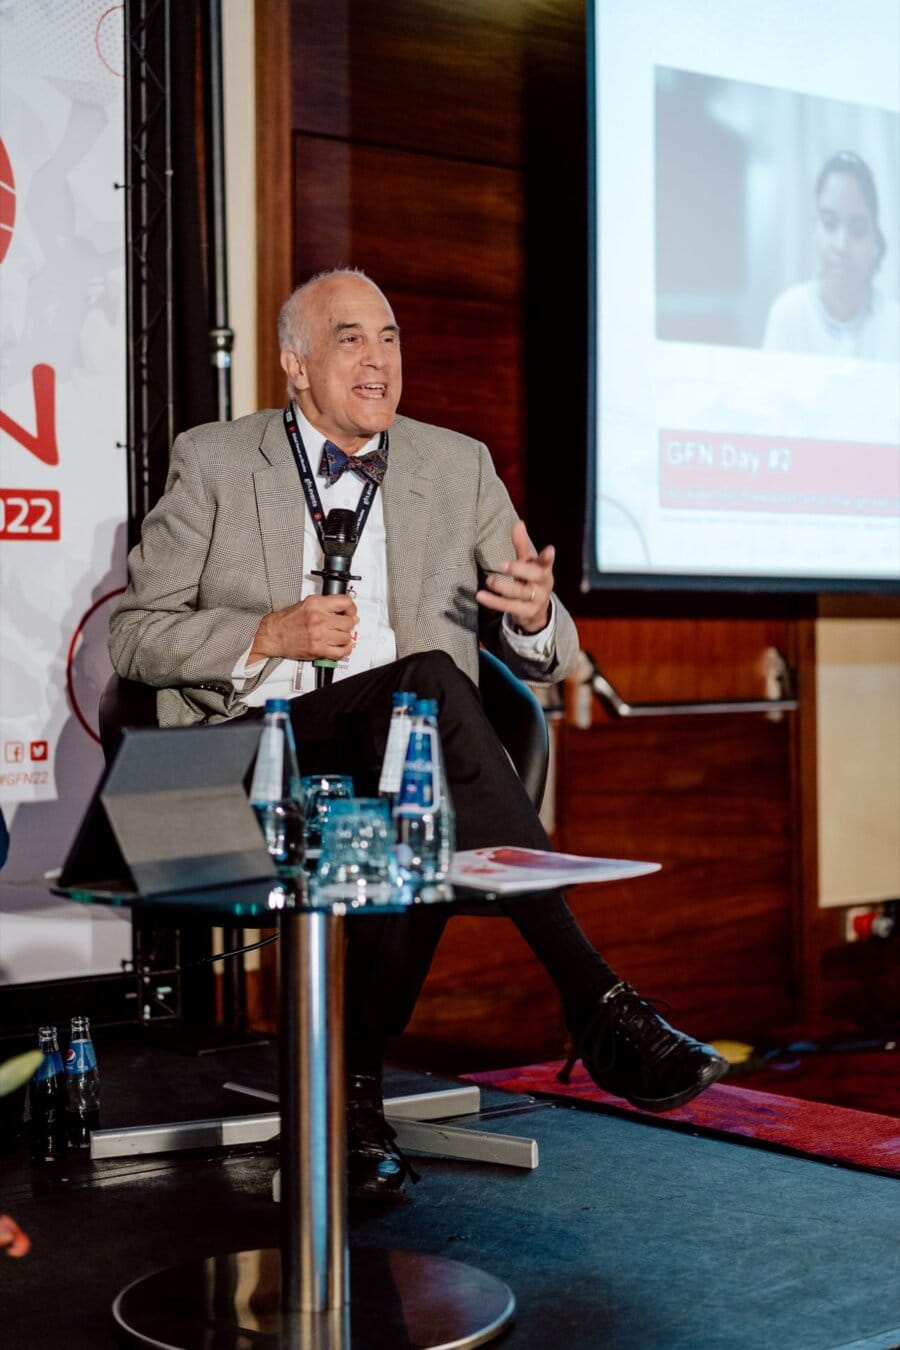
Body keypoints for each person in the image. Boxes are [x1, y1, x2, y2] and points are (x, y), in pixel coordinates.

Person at [109, 268, 727, 1198]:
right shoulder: (216, 460)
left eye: (391, 337)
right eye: (351, 337)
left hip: (403, 751)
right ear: (295, 365)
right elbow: (133, 636)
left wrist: (528, 614)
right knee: (432, 692)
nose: (379, 358)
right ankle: (597, 1002)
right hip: (256, 751)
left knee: (419, 757)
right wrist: (264, 634)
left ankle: (353, 1092)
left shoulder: (456, 463)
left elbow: (553, 649)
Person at [763, 150, 900, 361]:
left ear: (875, 239)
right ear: (814, 229)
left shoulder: (894, 326)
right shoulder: (787, 317)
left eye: (857, 229)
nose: (841, 245)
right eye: (830, 224)